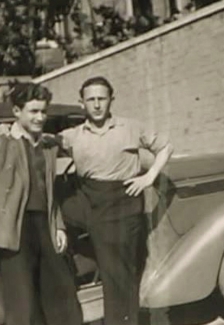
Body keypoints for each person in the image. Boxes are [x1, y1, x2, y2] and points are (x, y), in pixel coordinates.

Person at [56, 76, 173, 325]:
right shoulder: (71, 135)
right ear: (82, 103)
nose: (97, 104)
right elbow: (37, 146)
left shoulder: (131, 127)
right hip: (88, 198)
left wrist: (149, 177)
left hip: (123, 201)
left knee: (119, 273)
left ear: (111, 100)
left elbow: (165, 147)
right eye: (91, 100)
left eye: (102, 98)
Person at [0, 82, 82, 325]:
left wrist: (58, 226)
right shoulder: (4, 141)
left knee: (62, 296)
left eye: (43, 111)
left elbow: (49, 192)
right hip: (13, 228)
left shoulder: (47, 146)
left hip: (43, 224)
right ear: (16, 111)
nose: (40, 117)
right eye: (33, 111)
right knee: (21, 302)